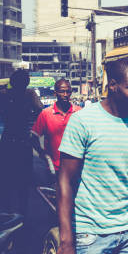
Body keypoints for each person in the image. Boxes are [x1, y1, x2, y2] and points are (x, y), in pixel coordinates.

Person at [57, 57, 128, 254]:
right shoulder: (83, 122)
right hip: (91, 234)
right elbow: (65, 181)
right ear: (113, 86)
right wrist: (66, 240)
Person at [0, 69, 44, 216]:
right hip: (22, 141)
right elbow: (40, 109)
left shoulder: (4, 95)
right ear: (27, 83)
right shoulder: (29, 95)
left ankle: (6, 211)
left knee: (5, 180)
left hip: (7, 140)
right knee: (23, 182)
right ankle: (22, 213)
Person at [31, 78, 81, 176]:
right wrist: (44, 155)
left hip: (77, 167)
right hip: (53, 169)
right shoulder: (46, 114)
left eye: (68, 91)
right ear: (55, 93)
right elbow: (34, 137)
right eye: (62, 91)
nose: (65, 95)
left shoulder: (79, 112)